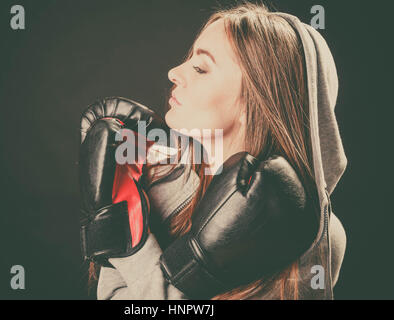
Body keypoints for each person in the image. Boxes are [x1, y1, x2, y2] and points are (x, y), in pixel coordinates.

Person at [79, 1, 347, 300]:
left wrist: (130, 244)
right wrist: (114, 221)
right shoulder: (162, 180)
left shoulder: (311, 236)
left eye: (200, 68)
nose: (173, 72)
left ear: (254, 102)